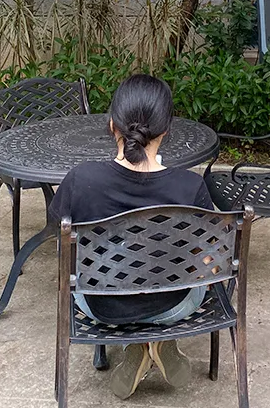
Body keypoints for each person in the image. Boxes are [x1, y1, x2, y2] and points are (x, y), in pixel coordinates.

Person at [48, 74, 214, 399]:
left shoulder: (81, 180)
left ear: (112, 125)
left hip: (100, 307)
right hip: (176, 304)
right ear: (166, 130)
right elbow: (208, 263)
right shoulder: (189, 187)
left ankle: (135, 344)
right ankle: (158, 339)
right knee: (190, 275)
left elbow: (63, 249)